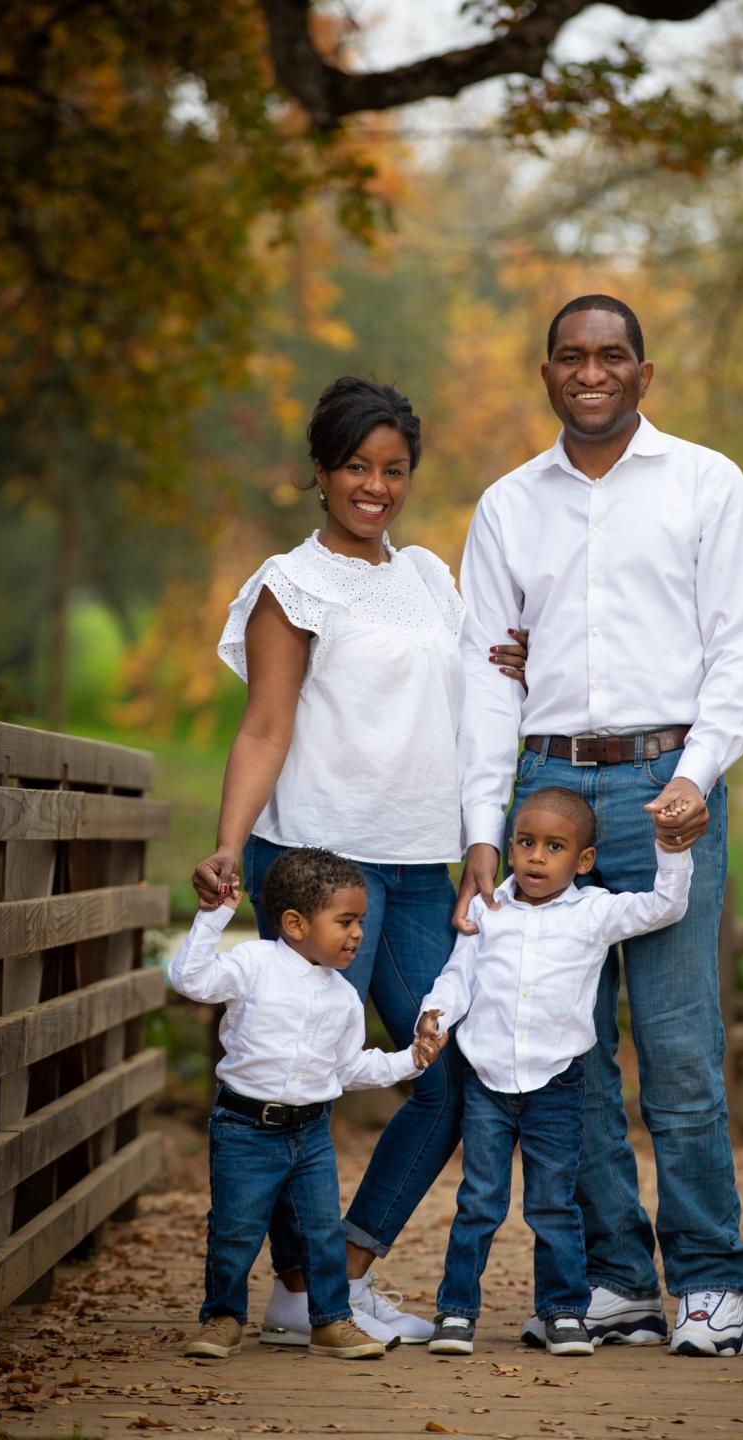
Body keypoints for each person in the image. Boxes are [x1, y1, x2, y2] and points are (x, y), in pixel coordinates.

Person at [454, 295, 743, 1358]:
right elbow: (487, 678)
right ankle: (618, 1282)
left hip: (662, 788)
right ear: (547, 372)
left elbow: (740, 640)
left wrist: (698, 772)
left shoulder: (705, 483)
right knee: (563, 1056)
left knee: (678, 1046)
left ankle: (712, 1280)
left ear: (643, 371)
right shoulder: (507, 505)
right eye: (571, 357)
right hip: (546, 790)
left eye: (612, 356)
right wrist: (483, 832)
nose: (591, 372)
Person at [191, 377, 525, 1348]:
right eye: (356, 468)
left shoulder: (429, 575)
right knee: (298, 1075)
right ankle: (302, 1287)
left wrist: (507, 669)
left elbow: (468, 690)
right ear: (322, 472)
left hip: (425, 863)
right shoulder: (290, 585)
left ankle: (331, 1276)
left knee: (453, 1064)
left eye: (394, 471)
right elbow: (264, 725)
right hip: (318, 867)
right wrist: (225, 840)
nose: (375, 487)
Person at [418, 787, 692, 1358]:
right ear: (509, 848)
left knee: (553, 1205)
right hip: (487, 1082)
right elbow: (458, 976)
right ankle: (456, 1312)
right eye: (525, 842)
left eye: (555, 846)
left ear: (583, 861)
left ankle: (564, 1312)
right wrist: (435, 1015)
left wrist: (671, 849)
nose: (536, 857)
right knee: (479, 1202)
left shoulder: (593, 913)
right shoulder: (487, 910)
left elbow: (664, 907)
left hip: (557, 1085)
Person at [170, 847, 446, 1362]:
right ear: (295, 923)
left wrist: (411, 1059)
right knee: (235, 1228)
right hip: (244, 1128)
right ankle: (223, 1316)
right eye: (345, 921)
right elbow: (190, 979)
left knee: (321, 1232)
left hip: (310, 1134)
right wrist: (215, 915)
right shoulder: (253, 965)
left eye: (360, 921)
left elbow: (347, 1069)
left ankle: (331, 1321)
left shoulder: (342, 996)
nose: (358, 933)